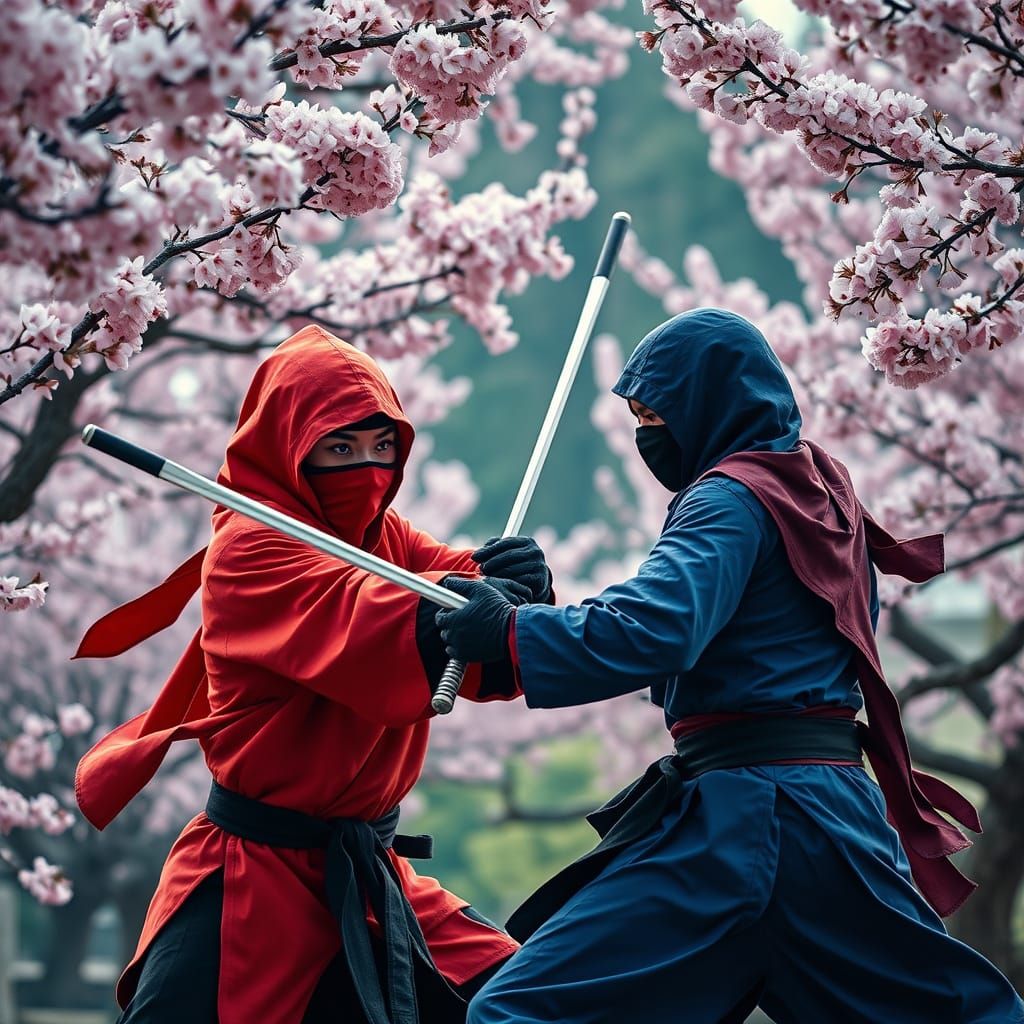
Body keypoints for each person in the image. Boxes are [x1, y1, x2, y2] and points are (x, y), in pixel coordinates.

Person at [437, 308, 1024, 1023]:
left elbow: (657, 625)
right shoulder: (819, 489)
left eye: (657, 414)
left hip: (746, 818)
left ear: (705, 405)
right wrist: (541, 609)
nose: (647, 436)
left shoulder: (728, 498)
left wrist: (509, 632)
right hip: (831, 816)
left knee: (521, 1014)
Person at [73, 324, 552, 1024]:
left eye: (381, 447)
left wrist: (515, 585)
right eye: (339, 449)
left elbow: (455, 588)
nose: (367, 468)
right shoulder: (247, 553)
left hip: (370, 874)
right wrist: (470, 603)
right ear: (289, 448)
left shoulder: (386, 538)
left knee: (525, 999)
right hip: (252, 881)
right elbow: (368, 623)